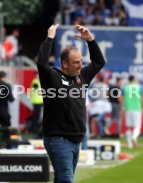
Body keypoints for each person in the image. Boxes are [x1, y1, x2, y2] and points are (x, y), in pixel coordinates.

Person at [37, 24, 105, 183]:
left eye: (81, 61)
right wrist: (50, 38)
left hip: (76, 140)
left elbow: (98, 62)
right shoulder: (52, 77)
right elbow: (41, 63)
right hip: (58, 139)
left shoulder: (82, 77)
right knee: (66, 180)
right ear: (64, 64)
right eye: (76, 62)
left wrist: (91, 40)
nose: (80, 65)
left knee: (62, 180)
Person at [123, 75, 143, 148]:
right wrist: (142, 107)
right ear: (134, 79)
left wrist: (123, 107)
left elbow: (122, 98)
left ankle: (129, 144)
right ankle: (134, 137)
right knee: (137, 127)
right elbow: (142, 98)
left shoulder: (125, 87)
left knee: (128, 127)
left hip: (128, 108)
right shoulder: (139, 87)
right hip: (137, 108)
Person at [29, 71, 43, 136]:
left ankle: (33, 129)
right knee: (36, 116)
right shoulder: (35, 82)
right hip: (37, 101)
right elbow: (37, 90)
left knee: (36, 116)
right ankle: (34, 129)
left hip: (39, 101)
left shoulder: (38, 81)